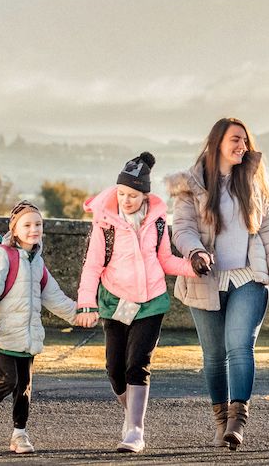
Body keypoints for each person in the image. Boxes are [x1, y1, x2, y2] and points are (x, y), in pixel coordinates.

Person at [167, 117, 269, 450]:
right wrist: (195, 253)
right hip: (206, 278)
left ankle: (237, 421)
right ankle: (220, 420)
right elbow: (182, 228)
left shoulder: (253, 182)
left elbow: (267, 232)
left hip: (249, 277)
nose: (242, 146)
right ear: (217, 142)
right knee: (214, 355)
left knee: (239, 346)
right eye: (236, 139)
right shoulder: (190, 183)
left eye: (245, 141)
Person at [75, 151, 198, 453]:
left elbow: (166, 260)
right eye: (121, 193)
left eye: (132, 195)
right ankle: (130, 416)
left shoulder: (156, 222)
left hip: (150, 302)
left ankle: (135, 431)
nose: (125, 200)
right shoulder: (105, 225)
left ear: (145, 195)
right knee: (115, 369)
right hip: (115, 301)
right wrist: (86, 305)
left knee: (137, 366)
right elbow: (92, 267)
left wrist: (192, 267)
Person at [0, 201, 81, 454]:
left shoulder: (37, 261)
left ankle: (19, 435)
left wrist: (79, 315)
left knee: (24, 387)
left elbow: (54, 296)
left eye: (38, 224)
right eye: (27, 225)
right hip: (2, 335)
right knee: (8, 380)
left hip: (27, 337)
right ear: (14, 230)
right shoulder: (3, 256)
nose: (33, 229)